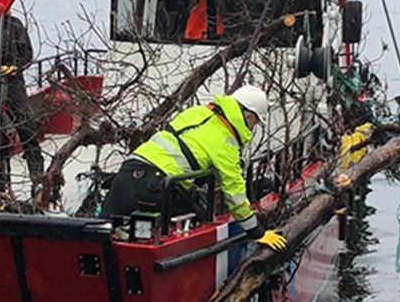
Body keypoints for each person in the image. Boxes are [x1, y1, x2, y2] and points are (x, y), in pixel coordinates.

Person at [100, 83, 285, 249]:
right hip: (156, 186)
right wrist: (257, 233)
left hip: (127, 172)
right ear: (247, 115)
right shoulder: (226, 141)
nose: (252, 128)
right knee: (197, 219)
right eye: (254, 122)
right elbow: (235, 195)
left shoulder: (197, 112)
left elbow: (188, 149)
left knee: (98, 235)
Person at [0, 13, 45, 193]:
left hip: (13, 83)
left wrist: (13, 67)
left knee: (26, 127)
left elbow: (27, 54)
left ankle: (38, 179)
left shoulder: (14, 25)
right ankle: (0, 187)